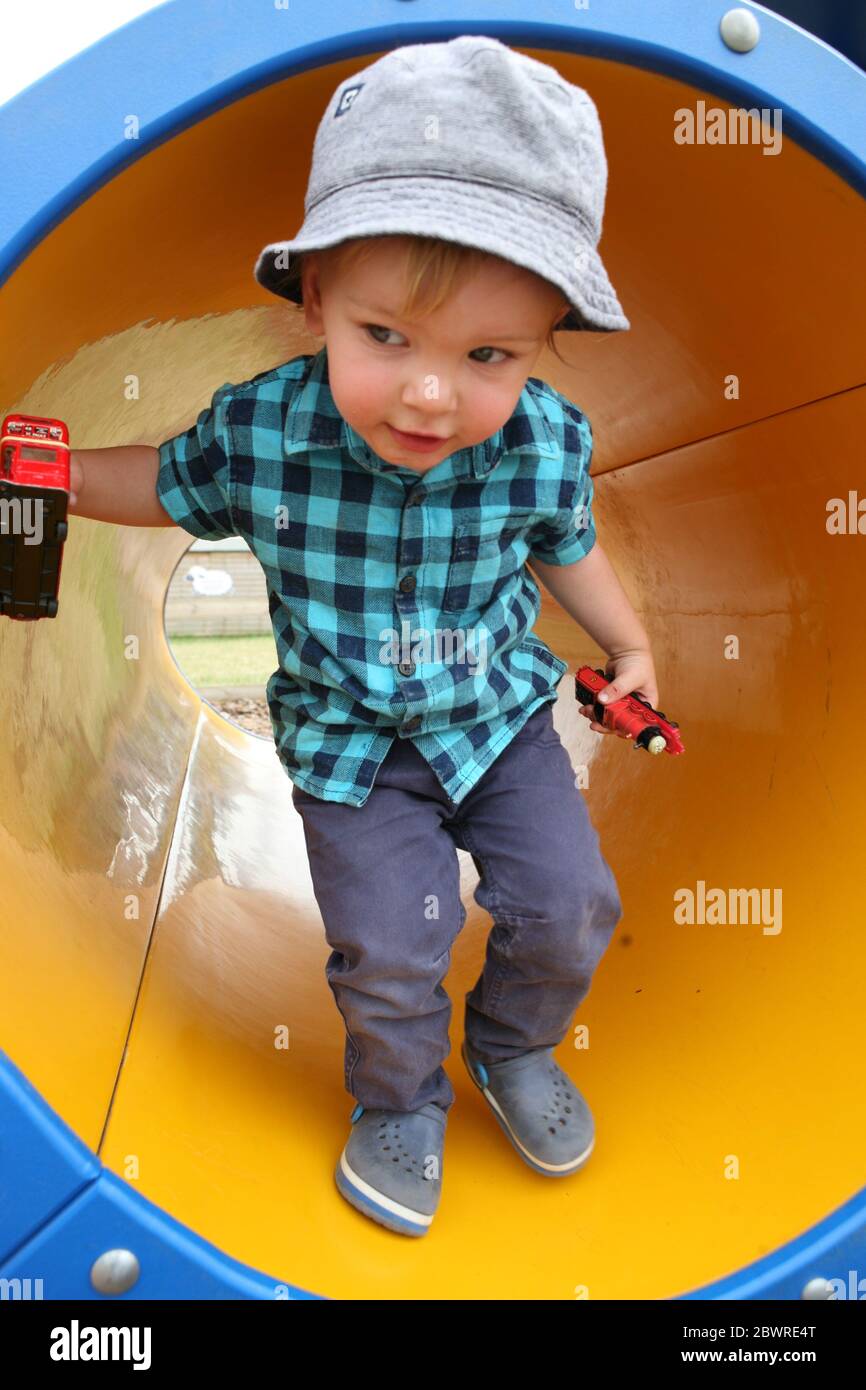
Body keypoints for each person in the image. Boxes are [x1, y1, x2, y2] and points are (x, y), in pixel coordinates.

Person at [69, 36, 659, 1240]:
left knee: (568, 902)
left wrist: (629, 644)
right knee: (389, 945)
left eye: (485, 355)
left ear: (542, 338)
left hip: (497, 721)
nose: (429, 395)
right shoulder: (265, 433)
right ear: (316, 301)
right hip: (350, 749)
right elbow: (165, 483)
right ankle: (399, 1101)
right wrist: (56, 471)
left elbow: (565, 541)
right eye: (385, 337)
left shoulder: (540, 439)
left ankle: (512, 1046)